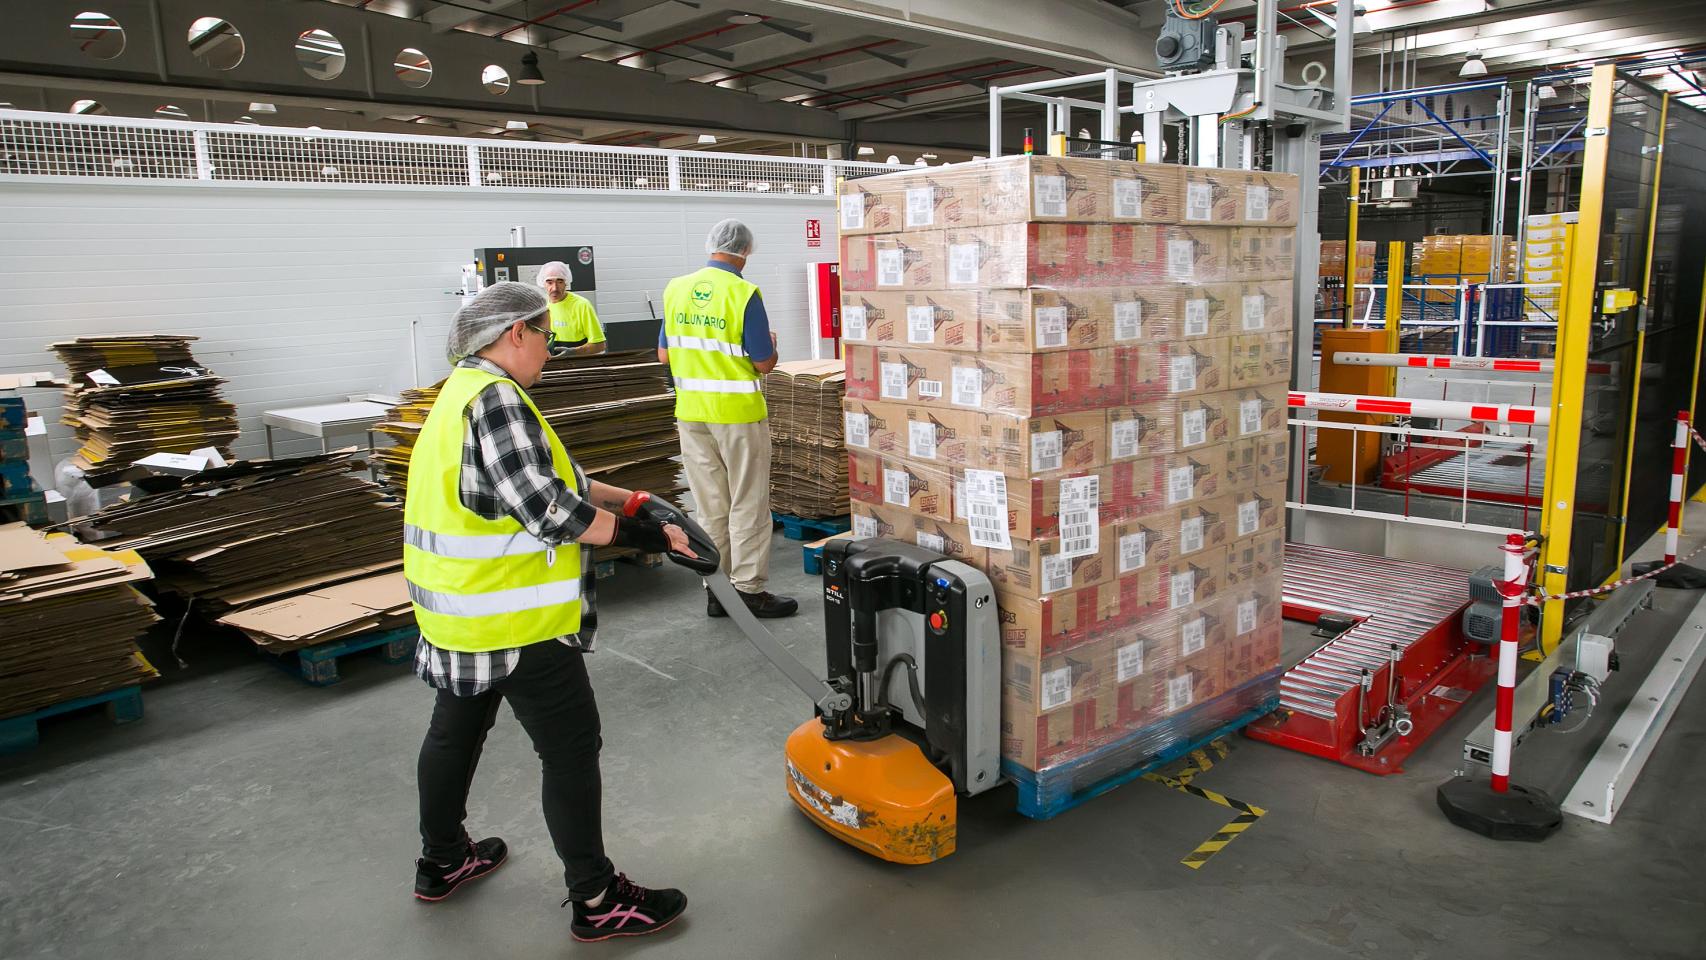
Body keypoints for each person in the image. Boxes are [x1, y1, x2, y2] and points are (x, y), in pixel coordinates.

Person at [405, 281, 691, 942]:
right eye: (546, 336)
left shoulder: (460, 394)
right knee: (569, 750)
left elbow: (548, 479)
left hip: (457, 615)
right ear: (514, 334)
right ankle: (596, 898)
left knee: (453, 733)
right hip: (516, 623)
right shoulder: (500, 400)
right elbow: (549, 509)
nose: (550, 352)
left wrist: (637, 500)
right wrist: (635, 535)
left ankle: (441, 861)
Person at [657, 219, 797, 619]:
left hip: (691, 414)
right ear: (746, 251)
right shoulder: (743, 293)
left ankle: (717, 590)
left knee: (710, 506)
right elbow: (763, 363)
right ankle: (749, 590)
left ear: (711, 246)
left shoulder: (676, 289)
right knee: (748, 504)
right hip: (737, 417)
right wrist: (771, 347)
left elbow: (664, 356)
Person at [538, 260, 606, 357]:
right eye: (549, 282)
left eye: (560, 282)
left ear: (566, 283)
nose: (555, 288)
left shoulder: (582, 305)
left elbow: (600, 345)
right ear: (542, 284)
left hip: (578, 367)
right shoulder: (540, 307)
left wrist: (574, 352)